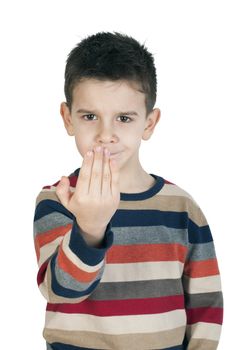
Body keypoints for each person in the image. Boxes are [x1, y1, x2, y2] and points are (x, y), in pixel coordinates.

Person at [33, 31, 223, 350]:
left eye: (124, 118)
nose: (106, 134)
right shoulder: (58, 200)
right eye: (90, 116)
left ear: (149, 123)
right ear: (68, 119)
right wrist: (89, 228)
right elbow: (62, 290)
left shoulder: (182, 208)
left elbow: (206, 304)